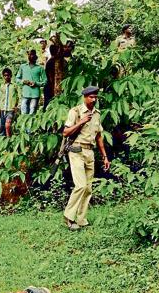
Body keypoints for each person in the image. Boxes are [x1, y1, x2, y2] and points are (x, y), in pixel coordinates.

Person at [62, 86, 110, 231]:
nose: (94, 99)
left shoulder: (97, 114)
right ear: (84, 97)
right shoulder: (75, 112)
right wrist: (81, 122)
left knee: (88, 188)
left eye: (95, 97)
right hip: (76, 150)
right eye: (91, 97)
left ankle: (81, 219)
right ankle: (69, 217)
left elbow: (99, 136)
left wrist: (105, 156)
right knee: (81, 185)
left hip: (90, 152)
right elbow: (65, 132)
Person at [15, 50, 46, 115]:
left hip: (35, 94)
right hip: (25, 94)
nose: (30, 56)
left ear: (35, 56)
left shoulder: (40, 68)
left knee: (32, 113)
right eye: (29, 54)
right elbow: (17, 79)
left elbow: (45, 81)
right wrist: (23, 81)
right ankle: (23, 125)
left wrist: (36, 83)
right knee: (23, 113)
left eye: (32, 54)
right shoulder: (23, 67)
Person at [0, 68, 17, 137]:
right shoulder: (2, 86)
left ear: (11, 76)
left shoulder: (14, 86)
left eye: (8, 75)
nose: (6, 77)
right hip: (3, 109)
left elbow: (19, 96)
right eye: (5, 75)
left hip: (10, 109)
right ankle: (2, 143)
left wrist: (18, 106)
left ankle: (9, 139)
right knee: (1, 127)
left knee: (8, 125)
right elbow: (0, 98)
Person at [43, 44, 60, 110]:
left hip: (50, 85)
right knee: (48, 104)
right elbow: (50, 76)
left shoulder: (52, 61)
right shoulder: (51, 62)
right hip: (50, 86)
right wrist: (54, 86)